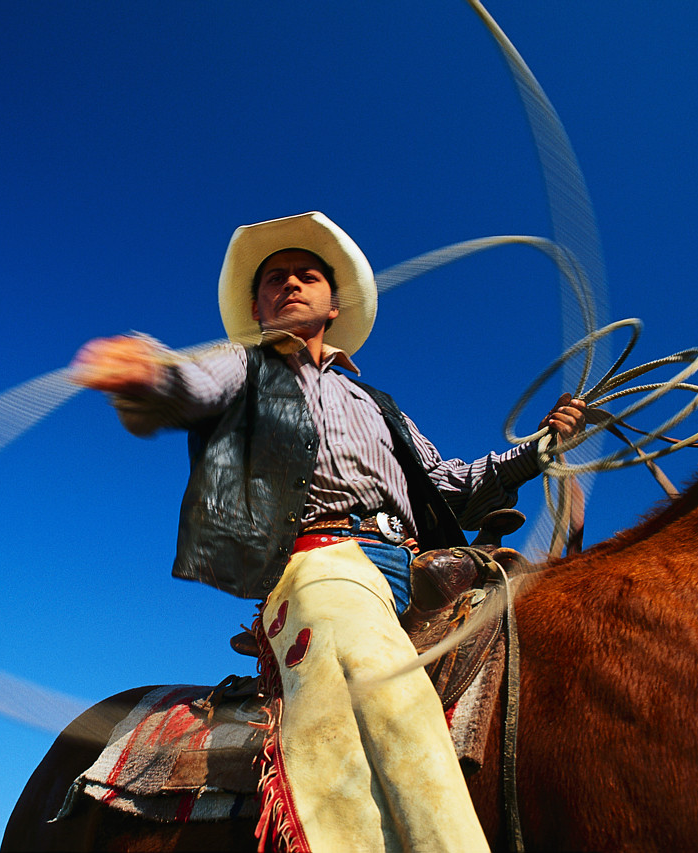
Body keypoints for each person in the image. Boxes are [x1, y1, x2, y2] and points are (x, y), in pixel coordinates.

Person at [71, 212, 584, 852]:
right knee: (374, 678)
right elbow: (189, 385)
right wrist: (147, 373)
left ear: (332, 304)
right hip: (323, 559)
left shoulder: (378, 405)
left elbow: (448, 483)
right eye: (274, 279)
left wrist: (537, 450)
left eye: (306, 275)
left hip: (418, 559)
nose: (290, 283)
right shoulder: (244, 367)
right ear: (257, 307)